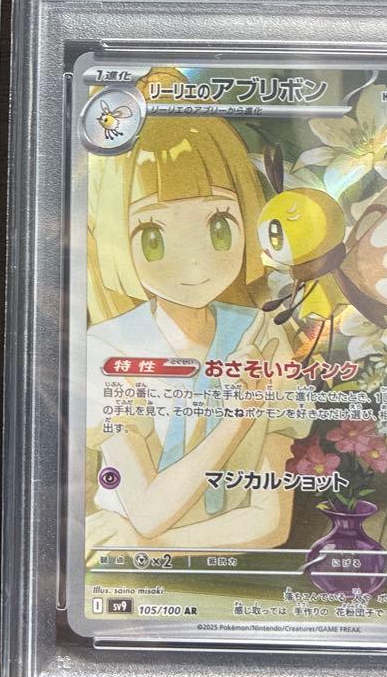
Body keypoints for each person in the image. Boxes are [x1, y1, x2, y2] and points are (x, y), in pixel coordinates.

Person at [85, 80, 309, 550]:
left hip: (224, 575)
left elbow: (270, 523)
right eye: (153, 238)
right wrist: (235, 419)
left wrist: (145, 546)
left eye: (220, 227)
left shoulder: (263, 334)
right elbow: (147, 513)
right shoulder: (109, 347)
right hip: (122, 580)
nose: (193, 265)